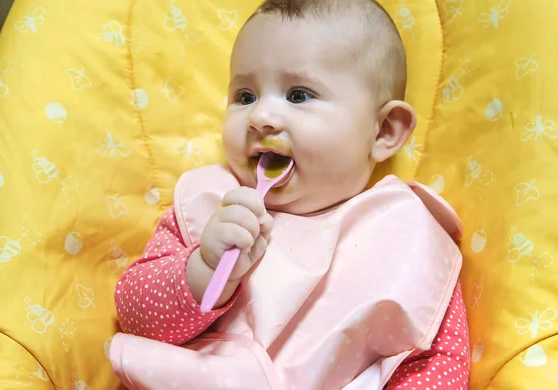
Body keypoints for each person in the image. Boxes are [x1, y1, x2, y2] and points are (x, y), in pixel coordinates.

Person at [110, 0, 470, 388]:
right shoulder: (210, 203)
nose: (260, 116)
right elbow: (134, 317)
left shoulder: (404, 232)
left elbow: (439, 363)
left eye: (298, 95)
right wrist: (204, 269)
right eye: (245, 96)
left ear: (383, 131)